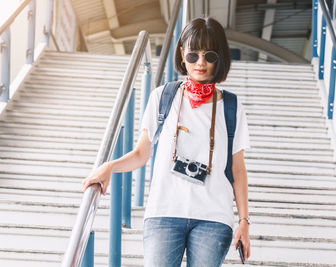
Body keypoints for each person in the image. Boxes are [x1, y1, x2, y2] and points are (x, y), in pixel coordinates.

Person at [82, 17, 251, 267]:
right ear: (182, 54)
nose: (200, 63)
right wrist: (109, 167)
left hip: (214, 217)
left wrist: (244, 222)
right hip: (164, 212)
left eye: (210, 55)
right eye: (193, 55)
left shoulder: (231, 107)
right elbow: (141, 153)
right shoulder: (163, 96)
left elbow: (237, 169)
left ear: (221, 57)